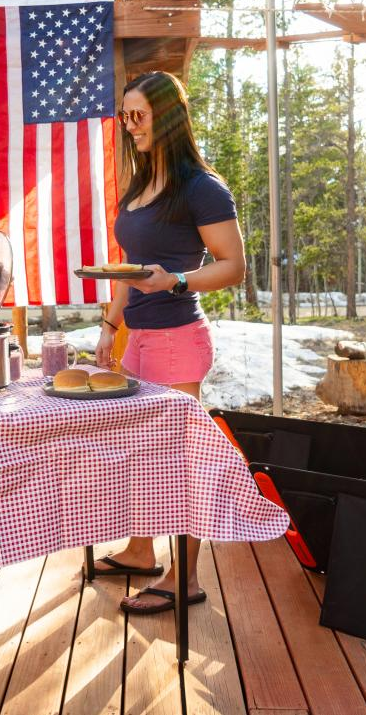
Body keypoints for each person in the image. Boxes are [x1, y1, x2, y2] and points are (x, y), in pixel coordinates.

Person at [91, 70, 245, 615]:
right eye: (125, 115)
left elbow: (233, 267)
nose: (129, 125)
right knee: (139, 456)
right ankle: (139, 551)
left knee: (181, 462)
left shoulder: (203, 188)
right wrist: (111, 327)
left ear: (168, 117)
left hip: (179, 340)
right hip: (139, 340)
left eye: (139, 115)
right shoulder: (138, 185)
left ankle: (187, 577)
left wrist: (176, 279)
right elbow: (129, 272)